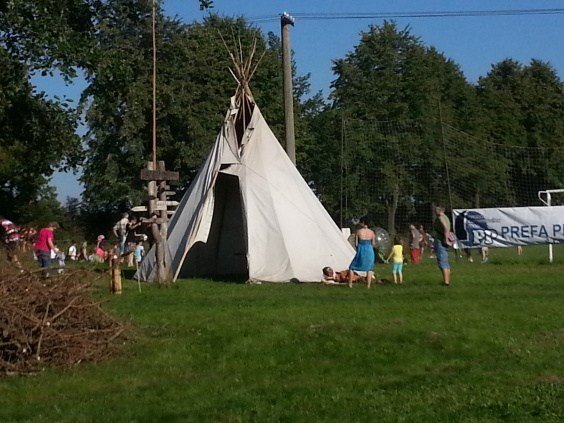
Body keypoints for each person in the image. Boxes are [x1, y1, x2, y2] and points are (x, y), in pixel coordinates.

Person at [349, 218, 376, 288]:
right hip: (369, 249)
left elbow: (356, 243)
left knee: (352, 267)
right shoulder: (372, 232)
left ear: (363, 223)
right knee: (369, 268)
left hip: (361, 248)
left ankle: (350, 284)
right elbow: (373, 243)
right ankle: (368, 285)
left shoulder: (358, 231)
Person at [433, 206, 452, 286]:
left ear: (440, 211)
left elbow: (445, 228)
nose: (435, 212)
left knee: (442, 262)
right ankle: (447, 280)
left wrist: (446, 239)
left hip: (441, 241)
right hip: (443, 240)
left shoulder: (440, 218)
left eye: (436, 210)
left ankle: (446, 282)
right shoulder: (446, 217)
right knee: (445, 261)